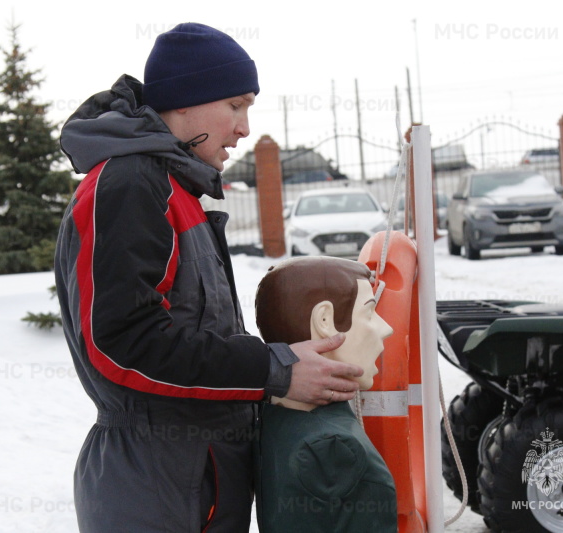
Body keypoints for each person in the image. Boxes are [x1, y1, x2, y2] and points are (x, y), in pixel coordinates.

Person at [54, 23, 363, 532]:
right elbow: (121, 343)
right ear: (185, 101)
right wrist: (274, 369)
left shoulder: (175, 188)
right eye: (236, 106)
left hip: (199, 473)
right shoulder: (129, 186)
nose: (244, 128)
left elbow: (197, 331)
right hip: (155, 486)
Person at [254, 256, 398, 533]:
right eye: (369, 313)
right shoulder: (330, 450)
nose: (386, 328)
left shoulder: (275, 413)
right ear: (324, 321)